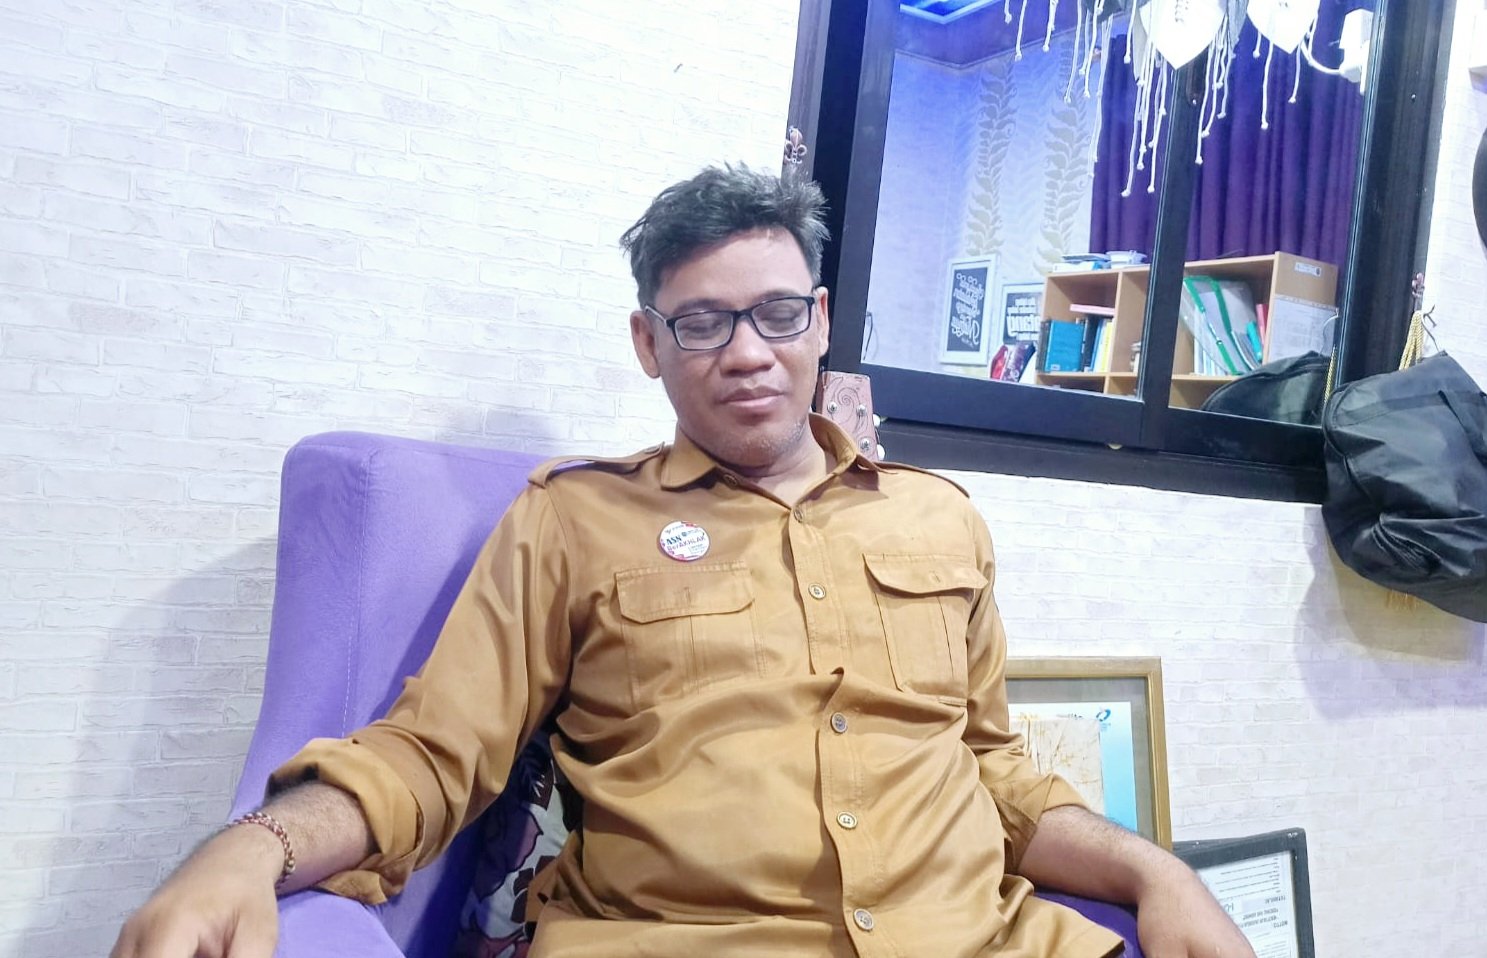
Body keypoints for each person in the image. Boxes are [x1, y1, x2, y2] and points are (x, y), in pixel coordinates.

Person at [112, 165, 1255, 958]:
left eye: (774, 314)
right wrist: (251, 850)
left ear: (819, 321)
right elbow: (428, 754)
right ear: (647, 344)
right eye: (702, 322)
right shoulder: (572, 521)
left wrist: (1156, 872)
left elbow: (994, 771)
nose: (746, 353)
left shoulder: (937, 518)